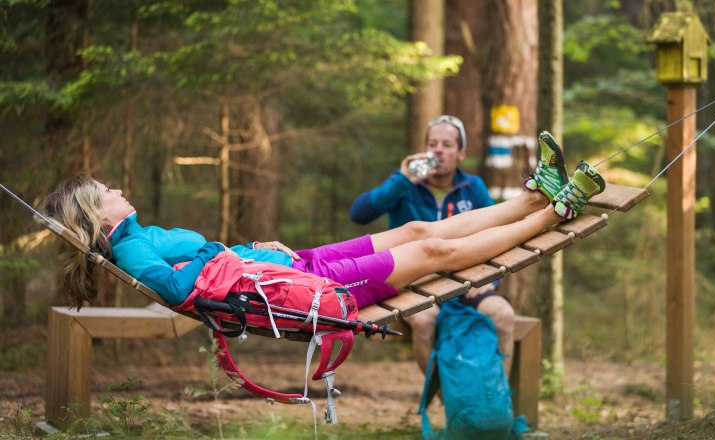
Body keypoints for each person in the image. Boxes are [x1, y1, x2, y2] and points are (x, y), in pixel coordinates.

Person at [41, 141, 604, 315]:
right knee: (433, 250)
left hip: (291, 267)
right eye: (106, 191)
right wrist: (225, 256)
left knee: (416, 232)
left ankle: (534, 195)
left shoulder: (140, 235)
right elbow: (181, 290)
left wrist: (244, 249)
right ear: (98, 213)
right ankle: (555, 212)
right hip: (308, 293)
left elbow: (206, 267)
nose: (116, 189)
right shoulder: (131, 252)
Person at [349, 115, 571, 374]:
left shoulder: (472, 187)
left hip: (465, 281)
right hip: (413, 282)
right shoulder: (405, 187)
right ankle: (442, 395)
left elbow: (499, 233)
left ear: (461, 153)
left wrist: (488, 280)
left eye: (447, 145)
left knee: (503, 315)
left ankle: (497, 392)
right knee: (424, 321)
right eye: (432, 144)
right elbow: (359, 214)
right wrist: (403, 179)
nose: (438, 150)